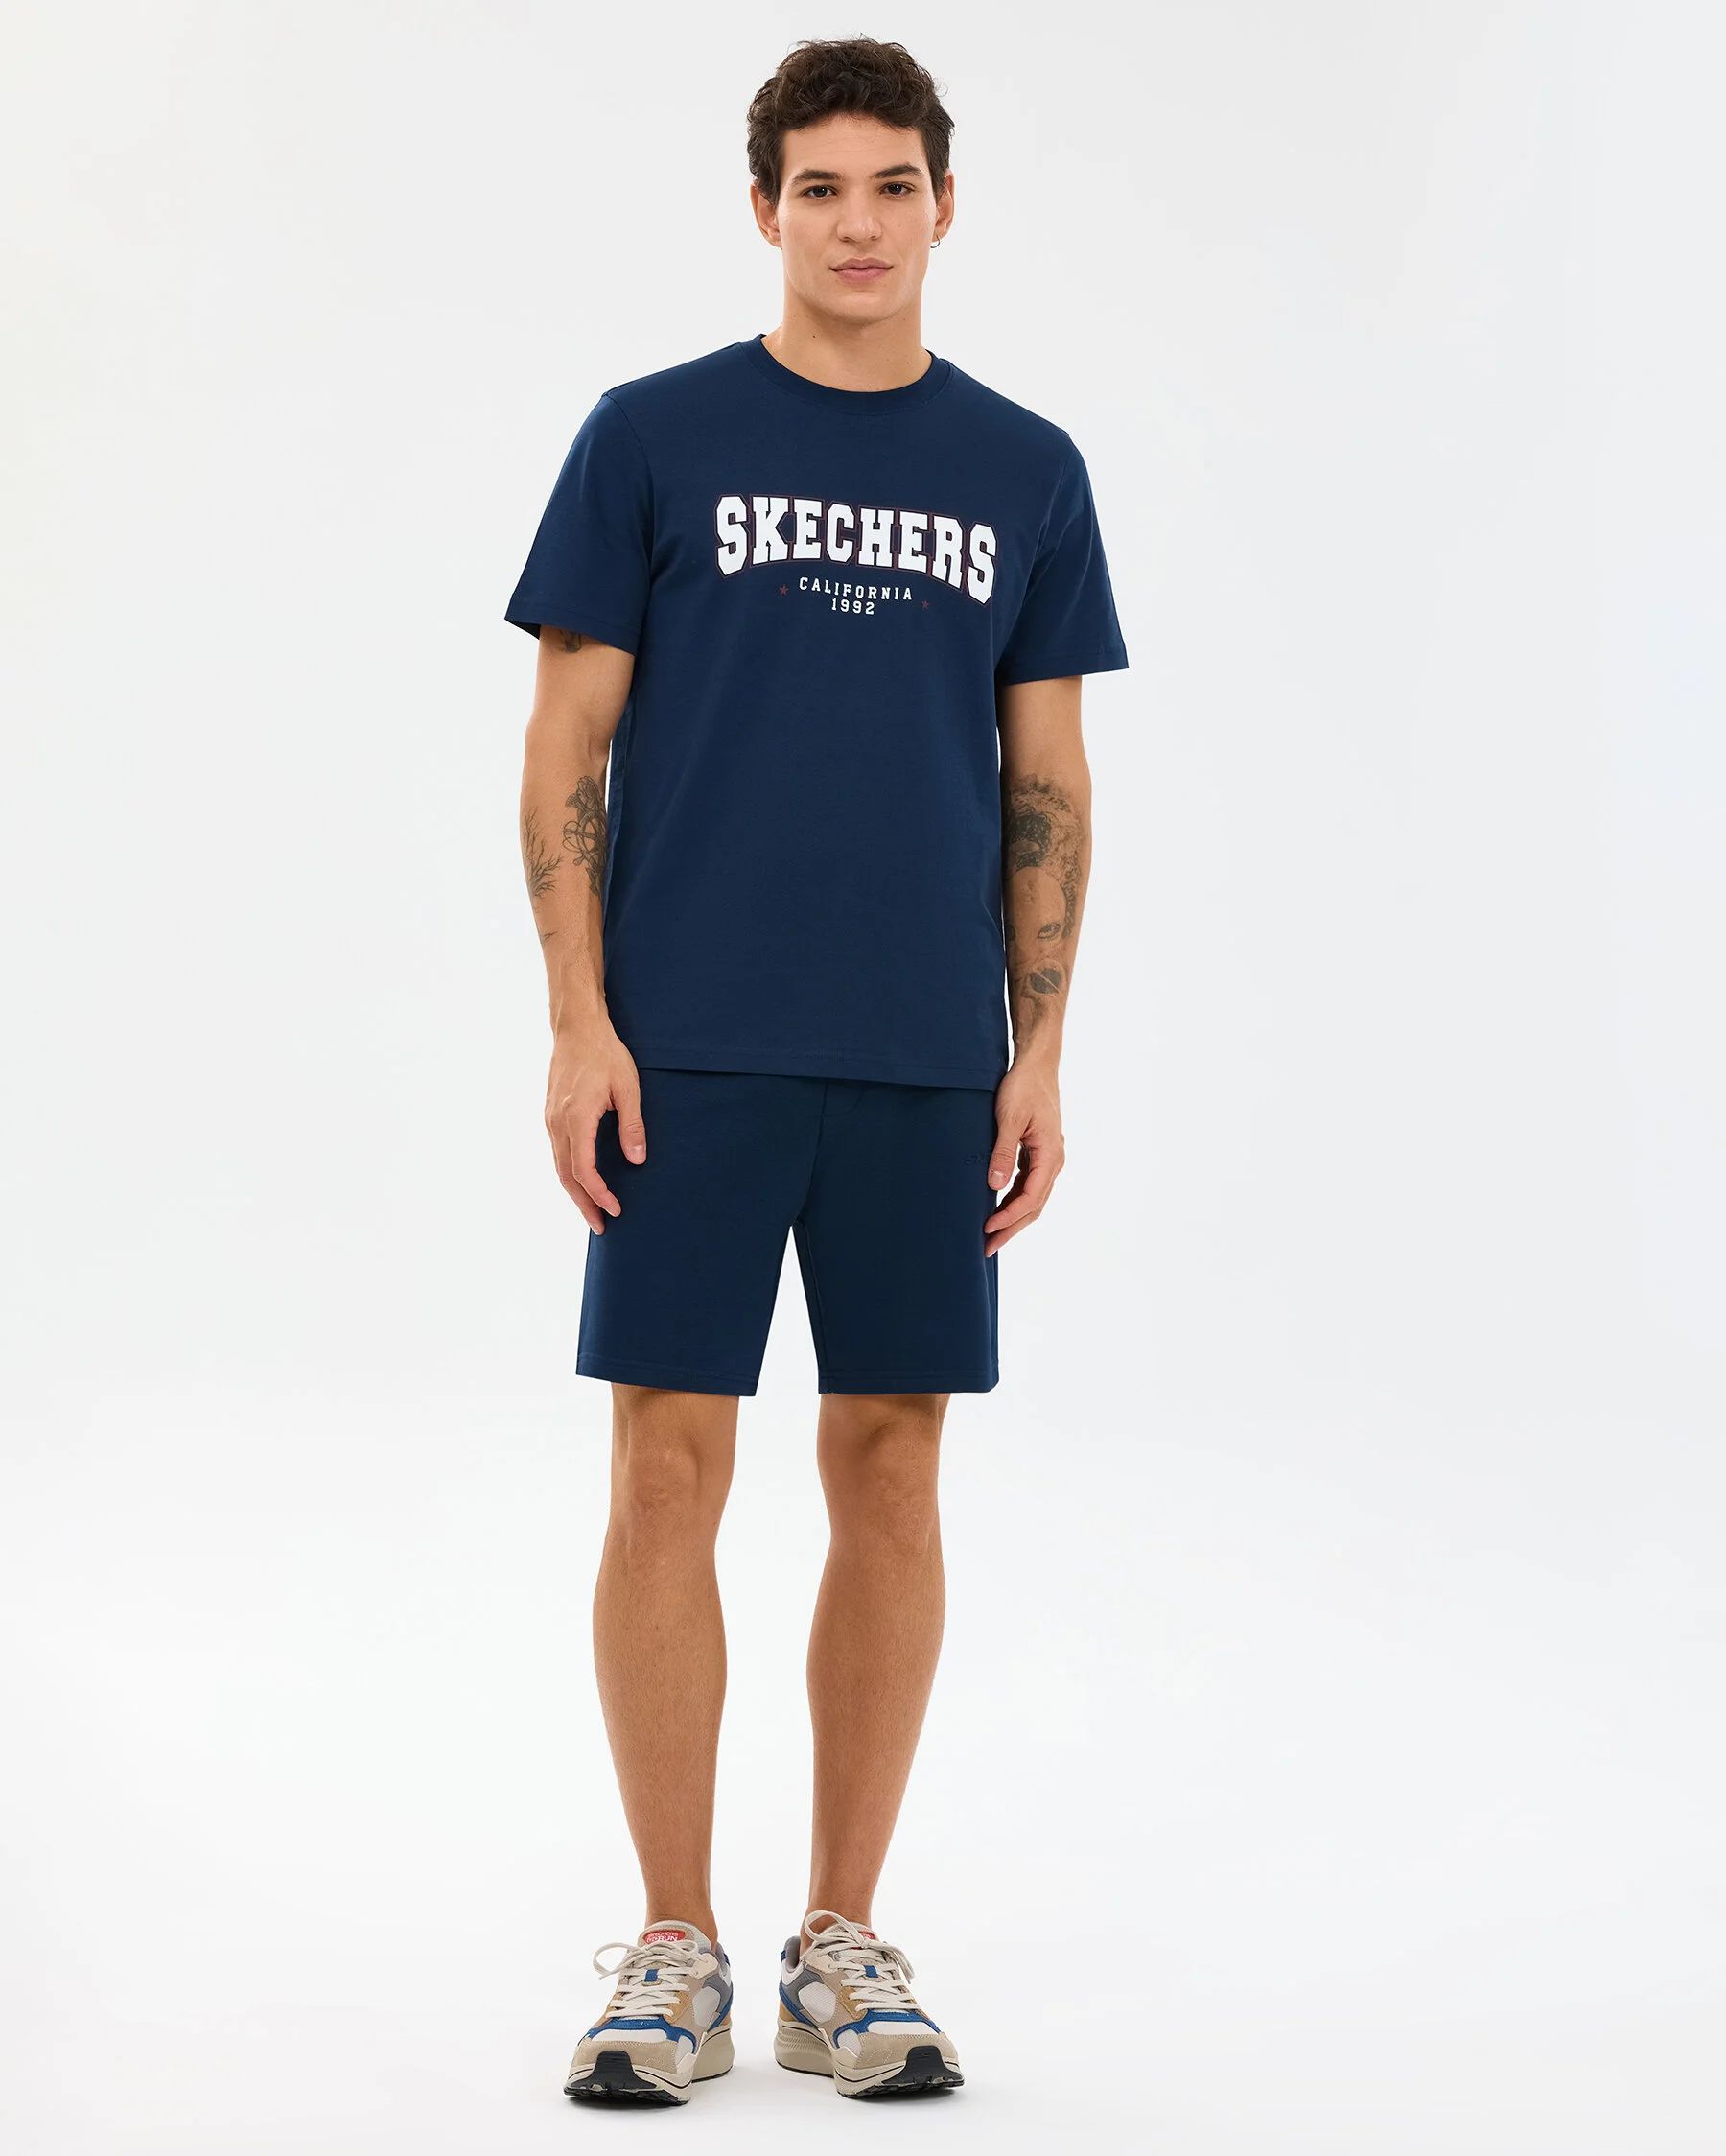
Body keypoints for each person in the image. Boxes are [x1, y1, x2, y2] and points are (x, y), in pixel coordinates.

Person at [506, 36, 1127, 2104]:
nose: (859, 223)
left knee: (892, 1466)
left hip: (926, 1051)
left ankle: (839, 1940)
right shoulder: (651, 436)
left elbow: (1048, 777)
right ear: (764, 207)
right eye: (821, 186)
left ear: (948, 203)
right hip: (686, 1044)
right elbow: (565, 745)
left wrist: (1039, 1048)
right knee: (663, 1466)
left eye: (893, 184)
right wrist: (581, 1020)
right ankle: (673, 1945)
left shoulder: (1027, 467)